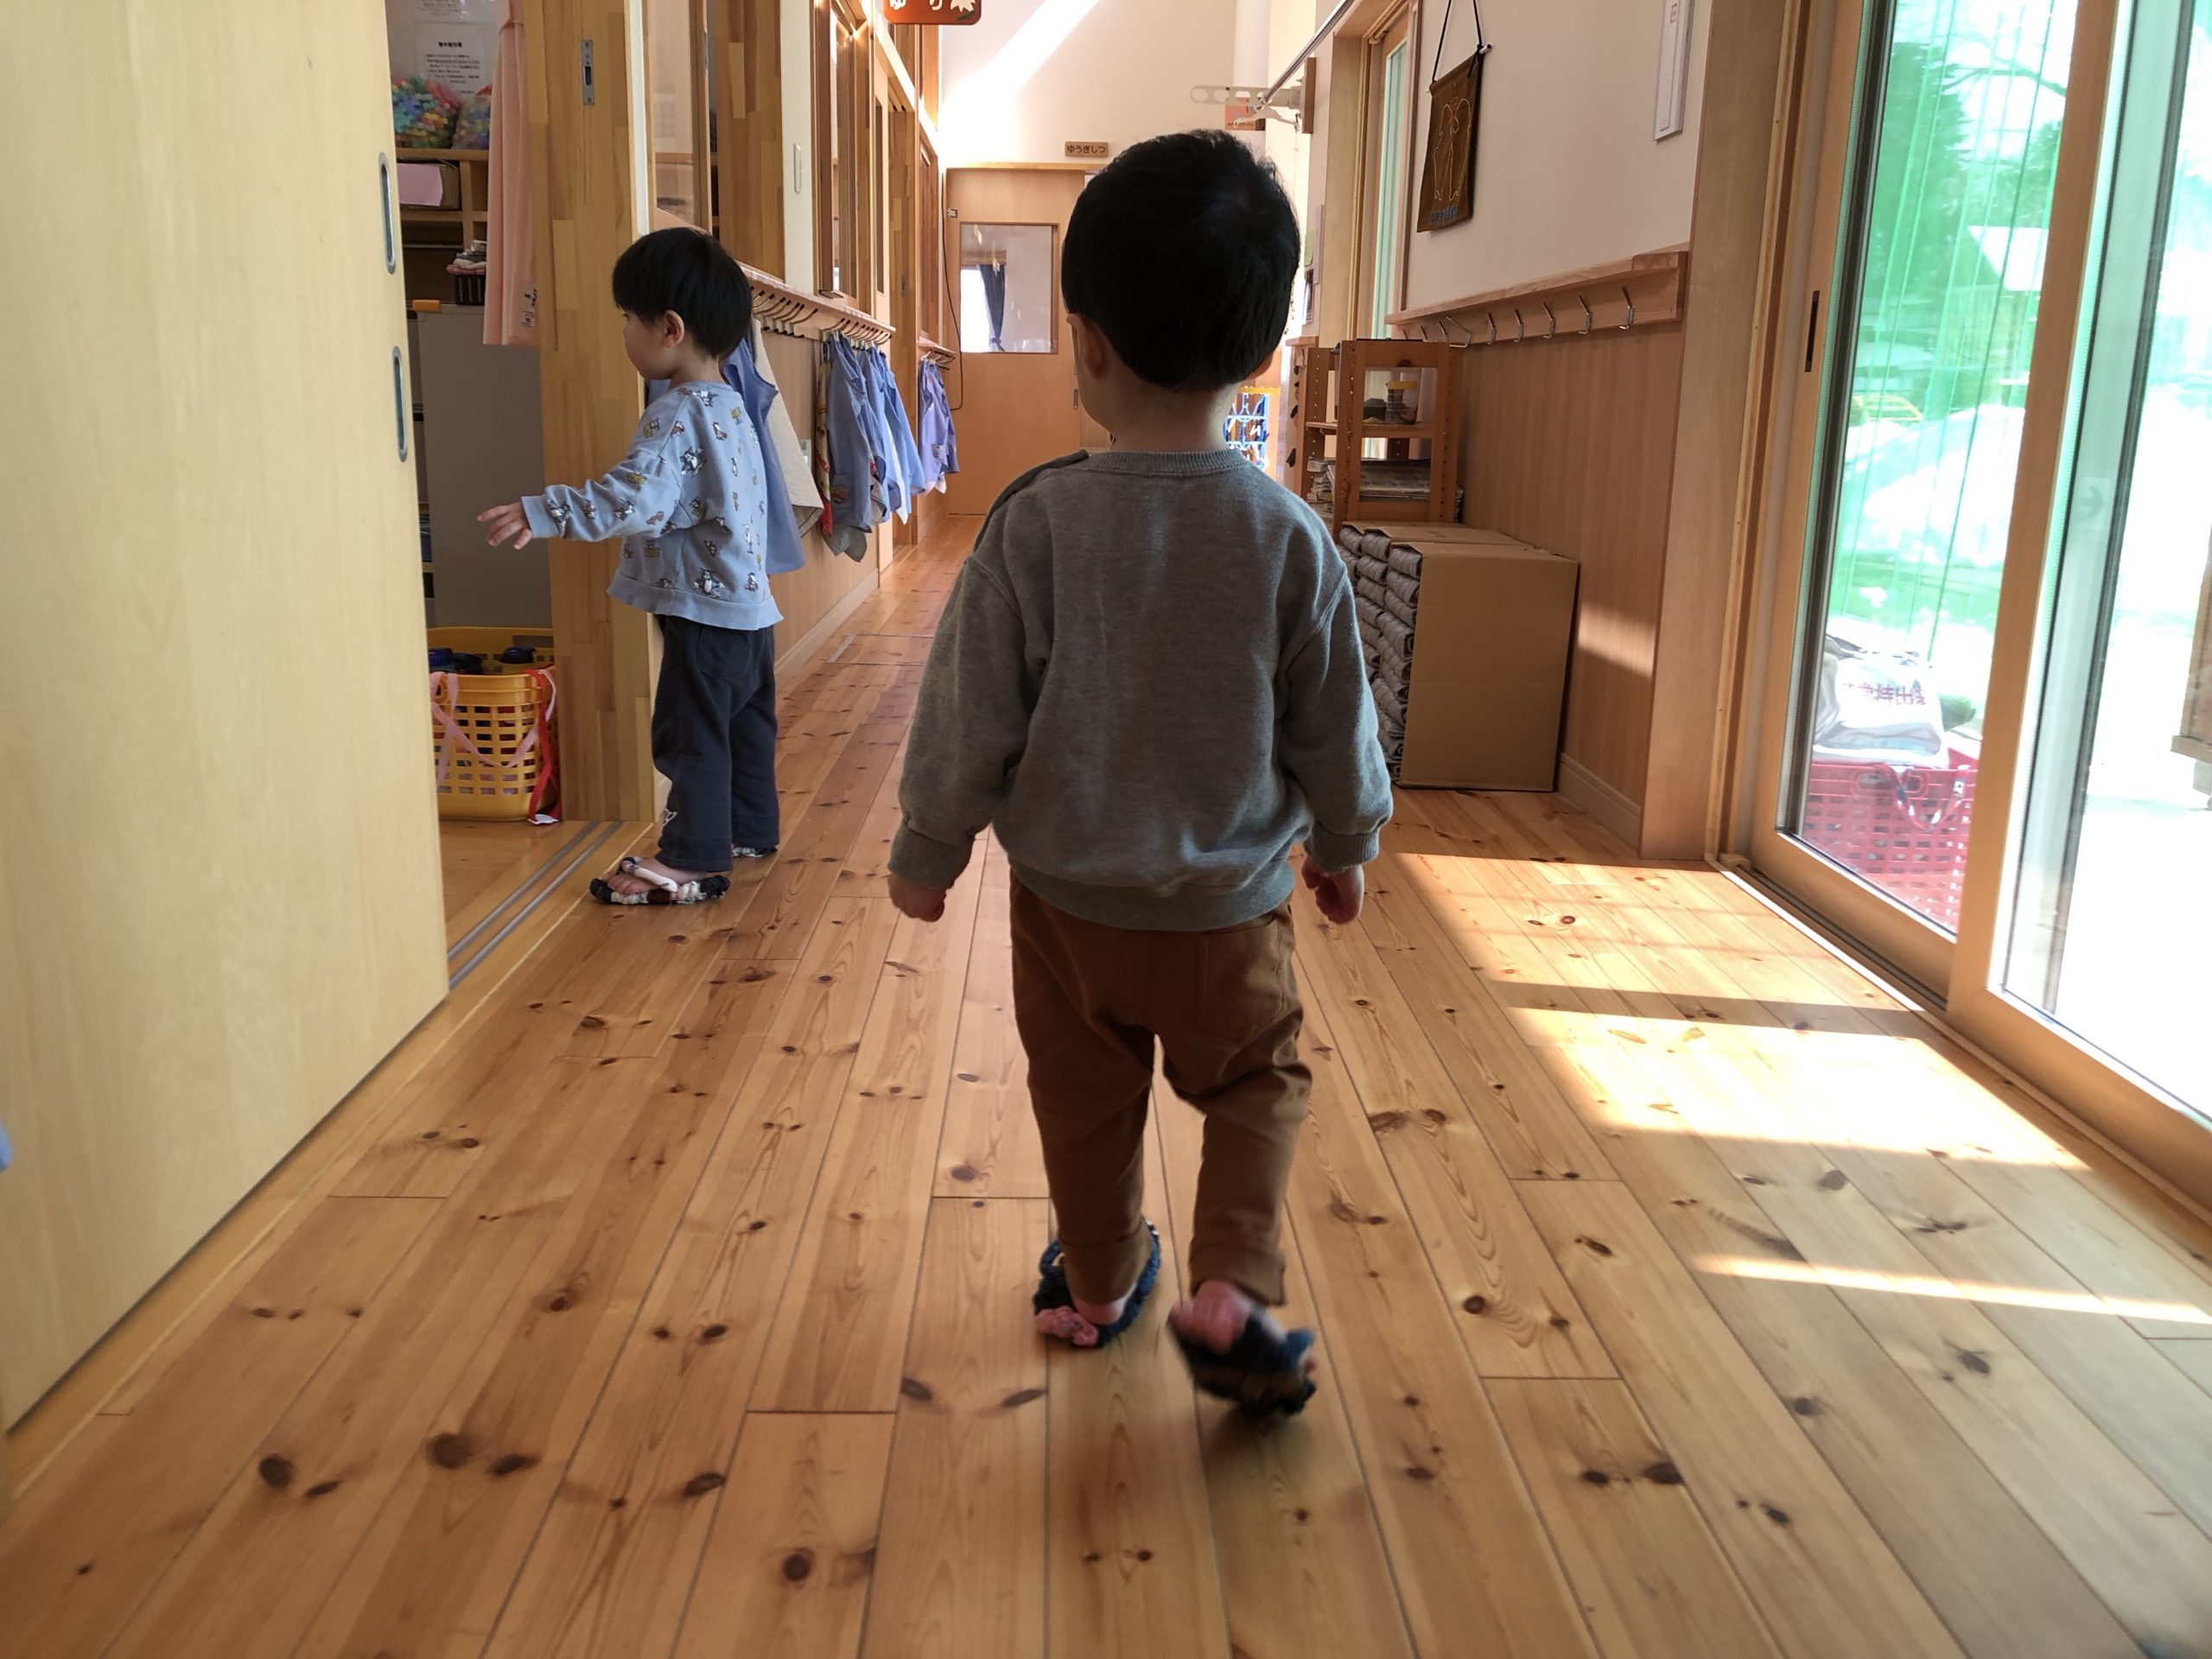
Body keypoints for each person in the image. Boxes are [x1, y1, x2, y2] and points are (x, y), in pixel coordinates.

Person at [885, 131, 1391, 1415]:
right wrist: (1347, 842)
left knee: (1084, 1100)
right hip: (1226, 909)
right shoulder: (1288, 536)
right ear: (1264, 353)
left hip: (1069, 913)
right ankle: (1229, 1284)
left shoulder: (1033, 523)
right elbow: (1336, 719)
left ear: (1088, 345)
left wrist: (928, 851)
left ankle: (1101, 1284)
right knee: (1257, 1080)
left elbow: (967, 711)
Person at [480, 228, 780, 905]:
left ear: (669, 328)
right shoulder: (733, 403)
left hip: (703, 614)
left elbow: (636, 499)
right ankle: (749, 828)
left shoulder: (674, 414)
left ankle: (691, 858)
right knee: (744, 726)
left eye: (627, 319)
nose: (623, 333)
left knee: (689, 736)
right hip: (750, 611)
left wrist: (545, 512)